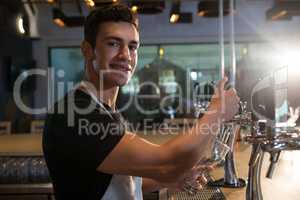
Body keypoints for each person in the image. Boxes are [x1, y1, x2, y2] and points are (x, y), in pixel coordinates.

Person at [42, 4, 240, 200]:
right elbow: (169, 163)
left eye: (132, 46)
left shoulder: (105, 109)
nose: (125, 56)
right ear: (87, 50)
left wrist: (170, 182)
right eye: (113, 43)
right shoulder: (76, 113)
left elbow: (118, 180)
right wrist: (217, 112)